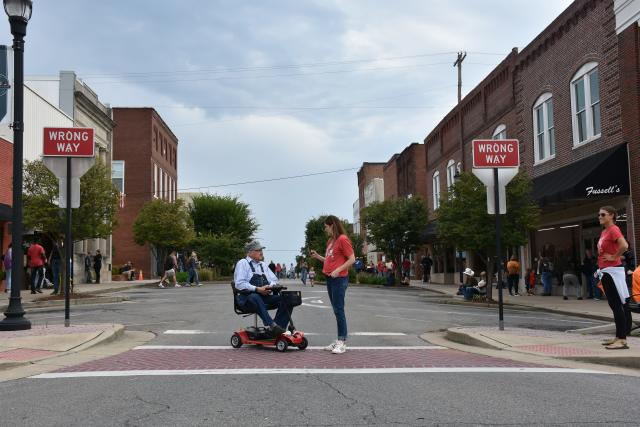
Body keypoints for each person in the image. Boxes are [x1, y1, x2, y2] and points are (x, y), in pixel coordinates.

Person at [310, 215, 355, 355]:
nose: (325, 229)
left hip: (339, 279)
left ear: (332, 225)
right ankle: (339, 339)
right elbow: (330, 260)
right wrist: (318, 257)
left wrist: (338, 270)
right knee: (336, 310)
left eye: (326, 227)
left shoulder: (342, 239)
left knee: (339, 309)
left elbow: (352, 259)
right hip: (330, 278)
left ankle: (342, 341)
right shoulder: (331, 241)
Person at [233, 240, 292, 336]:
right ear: (250, 252)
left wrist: (270, 286)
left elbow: (274, 280)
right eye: (258, 250)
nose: (261, 252)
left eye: (261, 250)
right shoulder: (243, 263)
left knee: (288, 298)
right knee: (255, 297)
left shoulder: (263, 265)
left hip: (264, 297)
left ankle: (278, 328)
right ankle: (272, 325)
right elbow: (239, 284)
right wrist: (257, 289)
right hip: (245, 299)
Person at [596, 206, 631, 350]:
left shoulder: (613, 229)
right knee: (613, 305)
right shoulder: (604, 231)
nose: (600, 217)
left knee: (617, 305)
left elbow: (624, 245)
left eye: (603, 214)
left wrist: (614, 257)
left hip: (612, 271)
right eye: (599, 214)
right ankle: (618, 336)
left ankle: (622, 340)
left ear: (612, 215)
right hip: (605, 271)